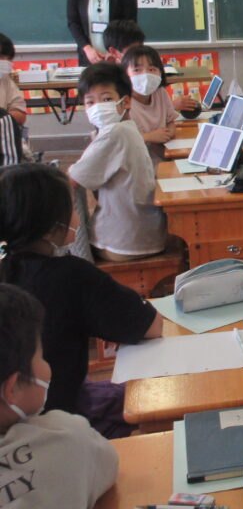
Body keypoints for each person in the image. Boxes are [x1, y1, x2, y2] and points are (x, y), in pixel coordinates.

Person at [0, 163, 161, 437]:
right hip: (62, 417)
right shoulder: (71, 275)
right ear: (52, 225)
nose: (77, 216)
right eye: (72, 208)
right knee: (154, 405)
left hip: (19, 415)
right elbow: (150, 326)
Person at [0, 283, 119, 508]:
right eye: (41, 357)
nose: (47, 366)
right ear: (12, 389)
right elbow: (108, 464)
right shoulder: (65, 437)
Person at [69, 62, 167, 261]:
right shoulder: (127, 127)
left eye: (106, 99)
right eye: (90, 102)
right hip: (143, 234)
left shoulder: (114, 133)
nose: (98, 107)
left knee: (64, 251)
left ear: (126, 102)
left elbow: (73, 179)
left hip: (124, 243)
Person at [101, 19, 199, 114]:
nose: (138, 53)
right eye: (137, 69)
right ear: (114, 52)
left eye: (141, 46)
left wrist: (168, 107)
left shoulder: (155, 87)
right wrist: (171, 106)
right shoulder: (110, 83)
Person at [122, 45, 177, 165]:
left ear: (160, 72)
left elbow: (170, 121)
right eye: (137, 70)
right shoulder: (122, 103)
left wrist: (170, 132)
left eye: (152, 69)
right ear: (125, 73)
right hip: (136, 163)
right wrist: (148, 137)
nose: (145, 75)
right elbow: (120, 141)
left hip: (164, 155)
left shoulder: (160, 92)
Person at [0, 32, 27, 126]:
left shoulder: (5, 80)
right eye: (1, 57)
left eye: (8, 59)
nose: (4, 62)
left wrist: (5, 119)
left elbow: (20, 113)